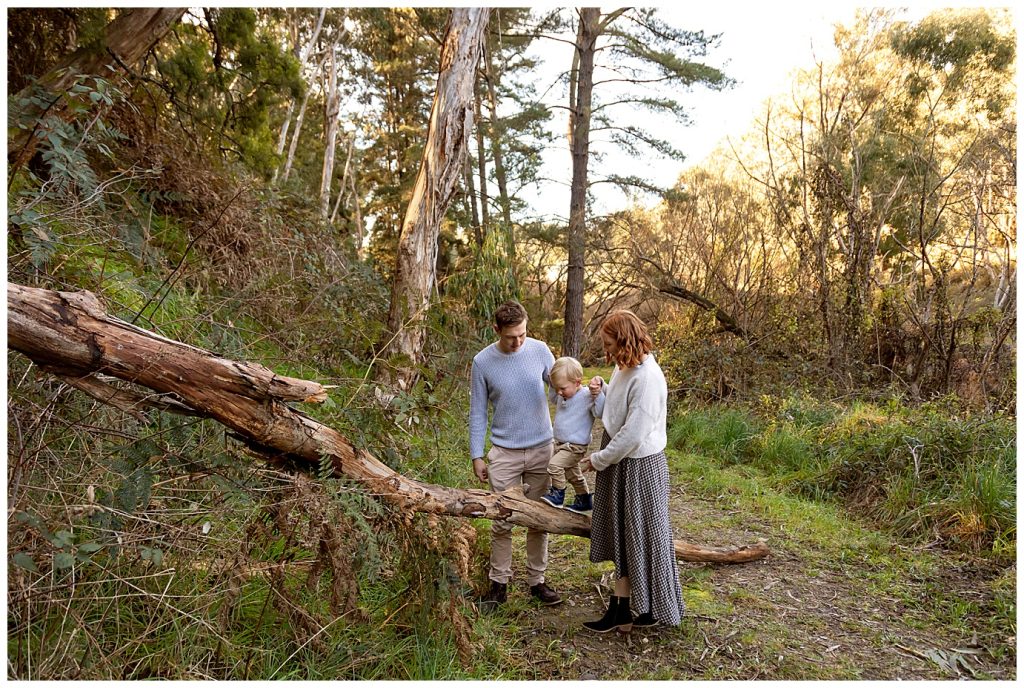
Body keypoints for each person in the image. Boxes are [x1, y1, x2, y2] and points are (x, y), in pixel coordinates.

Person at [579, 309, 684, 633]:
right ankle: (623, 610)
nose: (607, 351)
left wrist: (599, 459)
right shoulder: (626, 365)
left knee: (643, 536)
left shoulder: (649, 377)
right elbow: (622, 409)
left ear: (625, 339)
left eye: (610, 343)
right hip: (621, 457)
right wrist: (605, 389)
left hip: (638, 464)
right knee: (623, 533)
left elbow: (634, 433)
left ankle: (647, 609)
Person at [470, 300, 562, 608]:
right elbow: (478, 412)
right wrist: (476, 455)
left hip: (541, 449)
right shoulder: (482, 362)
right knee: (502, 522)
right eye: (511, 336)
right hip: (504, 453)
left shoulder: (540, 351)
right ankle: (499, 585)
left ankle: (537, 581)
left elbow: (561, 389)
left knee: (539, 520)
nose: (518, 342)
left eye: (522, 334)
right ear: (496, 330)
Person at [540, 356, 605, 513]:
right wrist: (552, 384)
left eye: (562, 388)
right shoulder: (563, 395)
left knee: (554, 465)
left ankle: (558, 495)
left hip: (575, 447)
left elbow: (600, 412)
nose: (559, 392)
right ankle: (584, 499)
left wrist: (598, 394)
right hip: (562, 445)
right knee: (573, 474)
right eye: (557, 388)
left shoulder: (587, 396)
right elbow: (553, 398)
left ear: (577, 382)